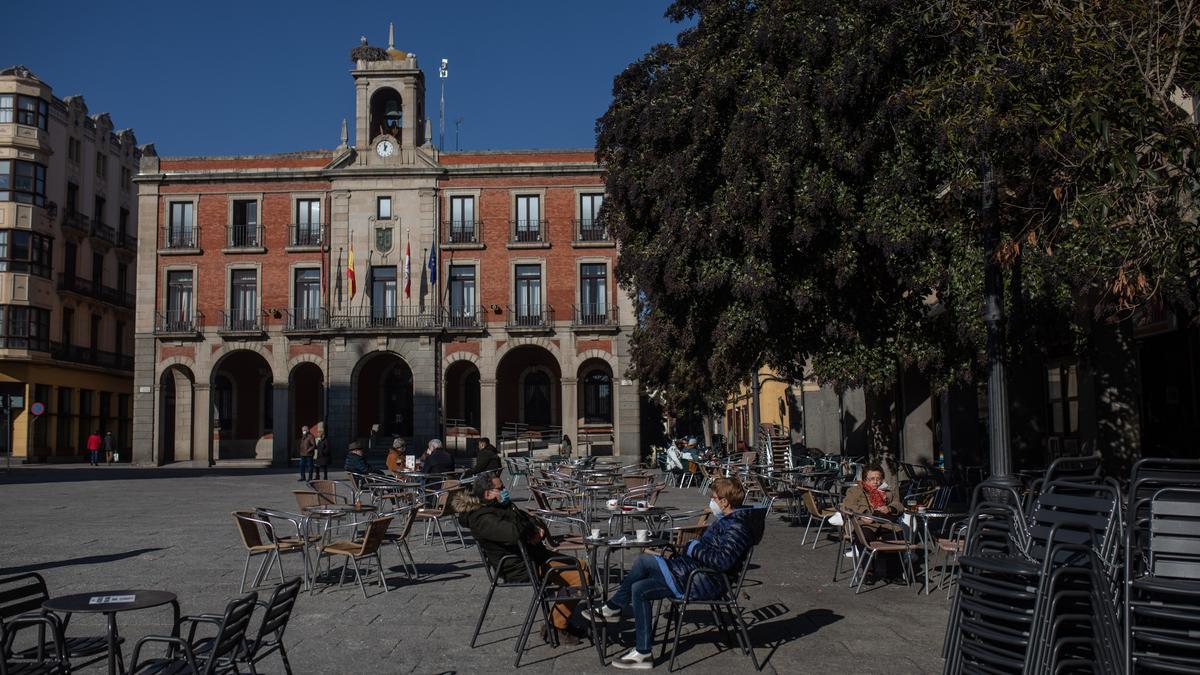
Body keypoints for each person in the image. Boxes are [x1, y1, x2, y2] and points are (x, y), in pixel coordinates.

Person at [582, 477, 764, 669]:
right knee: (639, 588)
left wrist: (694, 547)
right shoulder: (729, 521)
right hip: (696, 574)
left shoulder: (737, 526)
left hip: (704, 581)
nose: (711, 501)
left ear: (724, 502)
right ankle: (643, 653)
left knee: (645, 561)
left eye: (714, 497)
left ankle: (613, 607)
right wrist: (692, 548)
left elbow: (722, 561)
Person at [454, 475, 587, 645]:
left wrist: (536, 528)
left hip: (534, 555)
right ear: (488, 494)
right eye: (501, 488)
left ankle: (556, 622)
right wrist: (530, 530)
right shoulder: (481, 518)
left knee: (582, 567)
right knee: (578, 576)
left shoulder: (502, 506)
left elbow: (529, 518)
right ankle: (556, 625)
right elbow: (514, 533)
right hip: (520, 565)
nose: (505, 490)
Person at [842, 464, 904, 539]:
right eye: (871, 479)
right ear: (865, 479)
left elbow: (898, 504)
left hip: (884, 522)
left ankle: (891, 550)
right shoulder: (855, 490)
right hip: (863, 523)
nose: (875, 482)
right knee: (865, 535)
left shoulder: (887, 492)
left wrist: (889, 508)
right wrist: (862, 515)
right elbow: (847, 505)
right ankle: (868, 550)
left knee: (897, 535)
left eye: (878, 479)